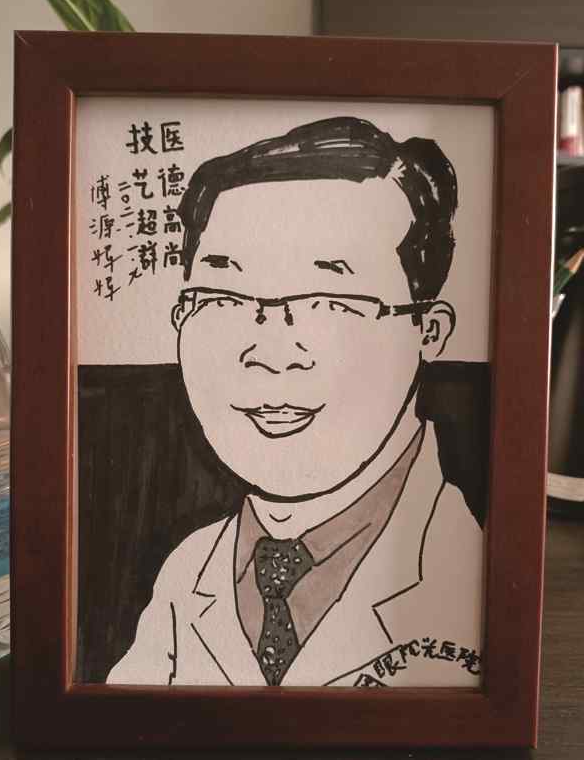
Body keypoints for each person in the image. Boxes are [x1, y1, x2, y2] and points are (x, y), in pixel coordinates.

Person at [107, 117, 484, 688]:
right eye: (223, 298)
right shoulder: (189, 569)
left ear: (428, 331)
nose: (270, 354)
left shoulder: (474, 572)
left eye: (330, 302)